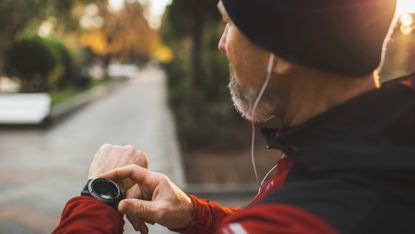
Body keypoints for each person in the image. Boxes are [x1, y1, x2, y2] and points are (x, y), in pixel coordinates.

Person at [54, 0, 415, 233]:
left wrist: (98, 197)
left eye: (230, 23)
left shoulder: (309, 214)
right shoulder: (385, 141)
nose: (222, 43)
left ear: (285, 52)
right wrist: (197, 215)